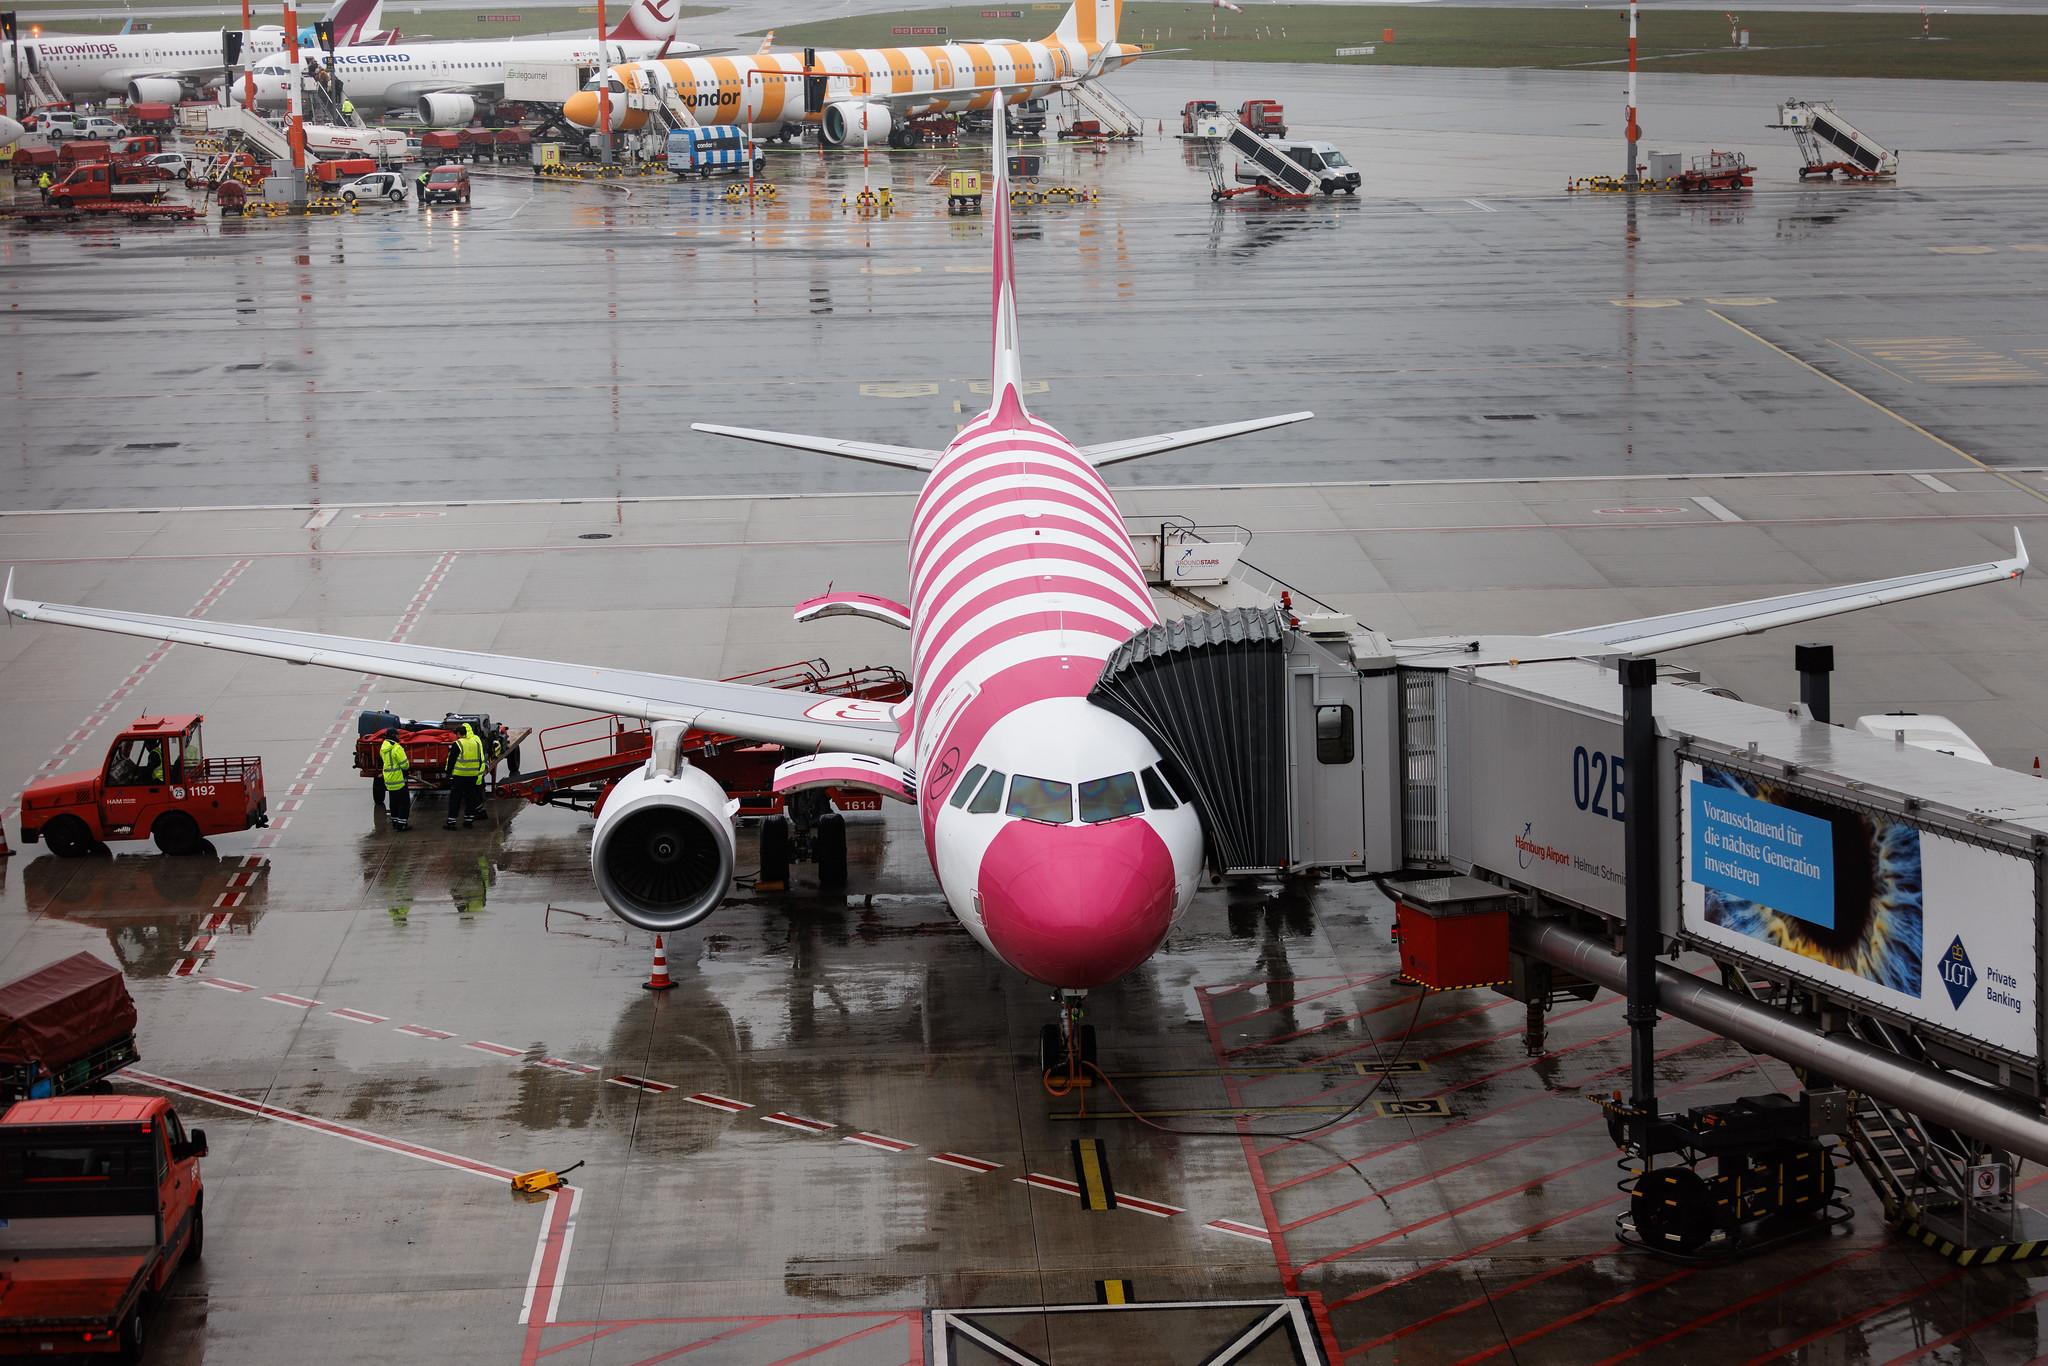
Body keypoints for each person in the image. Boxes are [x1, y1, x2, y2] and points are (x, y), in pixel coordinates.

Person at [446, 723, 485, 829]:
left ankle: (451, 822)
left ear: (459, 733)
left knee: (455, 799)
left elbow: (451, 760)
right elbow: (480, 759)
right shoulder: (476, 743)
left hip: (459, 776)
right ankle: (468, 821)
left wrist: (448, 773)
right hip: (472, 776)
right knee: (470, 798)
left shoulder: (458, 744)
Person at [380, 733, 411, 831]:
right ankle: (401, 824)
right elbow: (404, 765)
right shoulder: (397, 748)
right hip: (398, 779)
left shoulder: (383, 747)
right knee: (404, 802)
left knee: (394, 801)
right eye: (398, 735)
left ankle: (395, 821)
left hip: (388, 779)